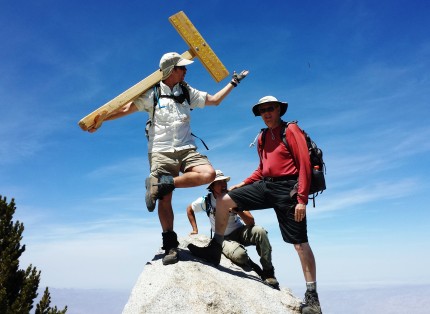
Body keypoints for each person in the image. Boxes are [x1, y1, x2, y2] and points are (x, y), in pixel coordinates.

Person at [87, 52, 248, 266]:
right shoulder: (151, 94)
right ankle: (170, 244)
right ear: (171, 70)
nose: (186, 70)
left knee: (208, 174)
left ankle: (160, 184)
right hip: (160, 150)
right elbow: (125, 108)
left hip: (186, 147)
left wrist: (234, 83)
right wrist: (101, 120)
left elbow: (215, 101)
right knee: (166, 198)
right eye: (182, 67)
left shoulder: (187, 91)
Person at [187, 96, 322, 314]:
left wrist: (302, 199)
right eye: (262, 110)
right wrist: (243, 184)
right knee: (224, 201)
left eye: (270, 108)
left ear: (279, 110)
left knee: (299, 244)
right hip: (266, 186)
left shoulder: (291, 130)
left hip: (289, 189)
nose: (266, 113)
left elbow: (304, 164)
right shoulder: (262, 137)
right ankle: (215, 249)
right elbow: (263, 169)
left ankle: (313, 298)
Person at [186, 169, 279, 288]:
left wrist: (237, 209)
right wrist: (195, 229)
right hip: (222, 238)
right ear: (212, 186)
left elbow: (251, 222)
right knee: (241, 256)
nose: (223, 185)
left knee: (260, 231)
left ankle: (268, 272)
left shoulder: (234, 197)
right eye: (219, 182)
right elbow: (189, 209)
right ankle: (251, 264)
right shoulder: (206, 201)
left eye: (224, 182)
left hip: (240, 231)